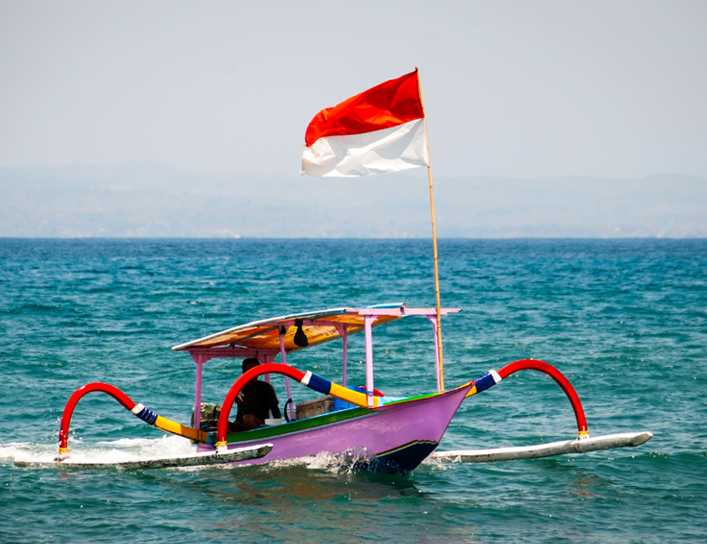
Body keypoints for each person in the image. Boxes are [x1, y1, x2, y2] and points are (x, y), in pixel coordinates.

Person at [227, 358, 281, 432]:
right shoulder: (239, 387)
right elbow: (240, 410)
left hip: (260, 426)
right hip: (243, 425)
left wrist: (278, 429)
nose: (252, 375)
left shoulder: (266, 388)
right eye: (249, 371)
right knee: (222, 425)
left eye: (255, 371)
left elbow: (275, 410)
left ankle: (257, 437)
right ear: (243, 372)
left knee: (247, 418)